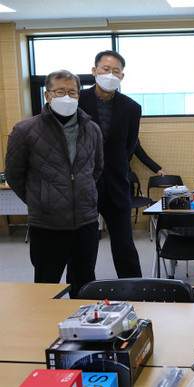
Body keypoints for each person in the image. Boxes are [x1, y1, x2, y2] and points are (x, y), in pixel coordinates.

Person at [5, 70, 103, 297]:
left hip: (86, 223)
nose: (66, 97)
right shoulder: (25, 130)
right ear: (48, 95)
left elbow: (95, 169)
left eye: (72, 92)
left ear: (79, 95)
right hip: (47, 225)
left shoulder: (92, 129)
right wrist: (40, 200)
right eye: (60, 91)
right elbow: (14, 175)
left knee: (85, 288)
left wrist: (82, 193)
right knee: (46, 289)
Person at [78, 50, 142, 278]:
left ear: (122, 76)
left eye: (116, 71)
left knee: (124, 245)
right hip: (83, 186)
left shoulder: (132, 108)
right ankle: (82, 292)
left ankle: (135, 290)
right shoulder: (77, 101)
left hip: (116, 183)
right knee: (83, 247)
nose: (110, 74)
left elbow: (129, 145)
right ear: (94, 71)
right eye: (105, 69)